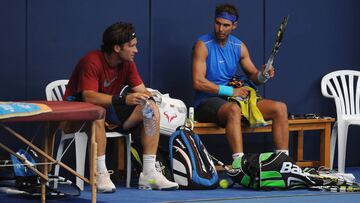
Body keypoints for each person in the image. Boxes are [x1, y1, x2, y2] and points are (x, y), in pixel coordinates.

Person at [64, 22, 179, 192]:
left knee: (150, 108)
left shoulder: (127, 63)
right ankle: (100, 174)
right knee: (97, 113)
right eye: (131, 46)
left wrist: (154, 99)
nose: (136, 50)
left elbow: (142, 91)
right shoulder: (91, 61)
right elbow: (89, 96)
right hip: (74, 117)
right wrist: (123, 99)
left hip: (108, 112)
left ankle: (149, 173)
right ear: (117, 48)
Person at [192, 4, 289, 169]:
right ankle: (239, 165)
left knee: (280, 108)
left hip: (235, 100)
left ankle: (284, 164)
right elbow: (198, 82)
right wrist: (232, 91)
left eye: (226, 25)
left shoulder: (239, 46)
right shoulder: (203, 45)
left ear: (234, 26)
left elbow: (254, 76)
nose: (220, 28)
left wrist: (264, 74)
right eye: (218, 23)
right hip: (207, 102)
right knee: (233, 110)